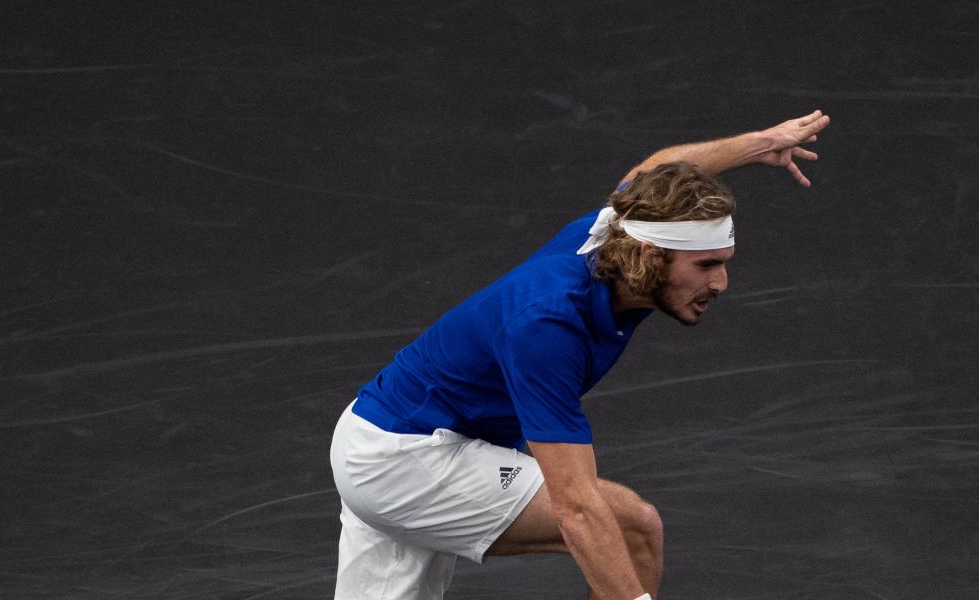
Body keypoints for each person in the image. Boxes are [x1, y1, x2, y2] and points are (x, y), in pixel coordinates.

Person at [330, 110, 831, 600]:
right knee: (630, 529)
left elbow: (656, 171)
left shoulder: (613, 233)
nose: (720, 283)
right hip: (408, 460)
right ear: (651, 256)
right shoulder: (547, 326)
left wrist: (761, 144)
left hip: (375, 438)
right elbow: (575, 507)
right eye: (705, 265)